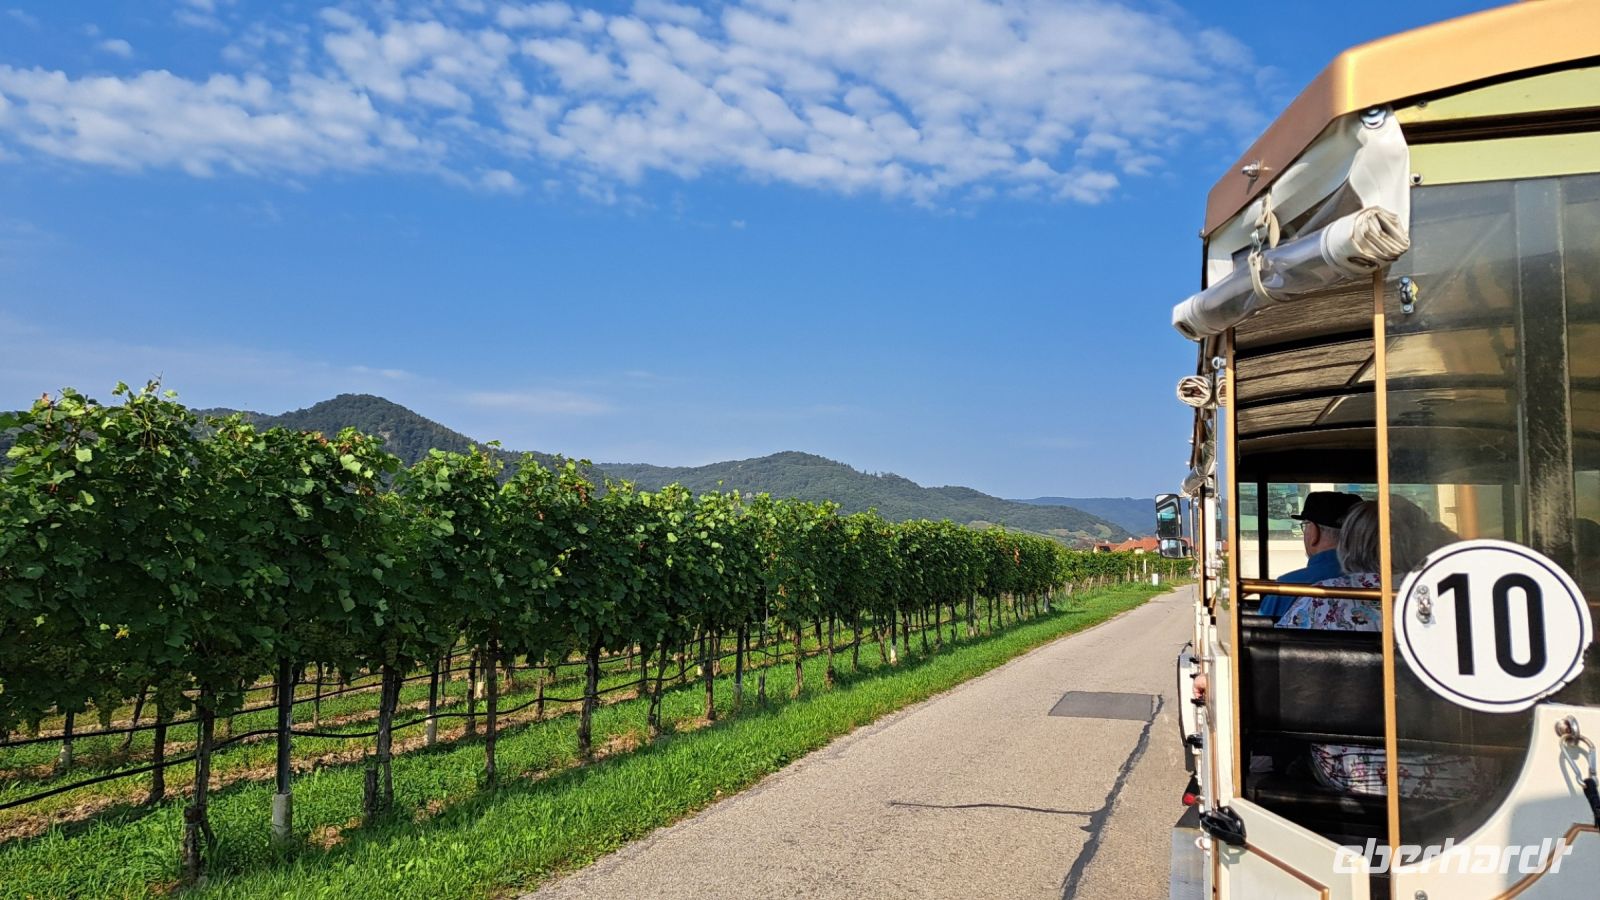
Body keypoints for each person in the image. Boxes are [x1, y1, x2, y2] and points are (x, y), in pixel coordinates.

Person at [1279, 497, 1488, 798]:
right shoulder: (1457, 601)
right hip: (1467, 771)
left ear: (1348, 544)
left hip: (1351, 770)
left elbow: (1279, 681)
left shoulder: (1319, 601)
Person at [1257, 491, 1363, 619]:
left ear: (1313, 532)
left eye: (1305, 526)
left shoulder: (1287, 588)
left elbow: (1261, 631)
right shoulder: (1378, 582)